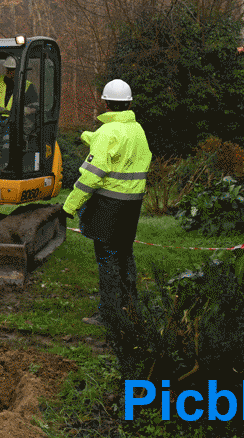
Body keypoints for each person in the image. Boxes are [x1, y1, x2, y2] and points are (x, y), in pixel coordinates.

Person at [58, 79, 152, 328]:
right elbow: (119, 149)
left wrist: (69, 206)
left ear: (106, 103)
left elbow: (91, 176)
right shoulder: (137, 130)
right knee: (124, 255)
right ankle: (130, 307)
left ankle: (109, 314)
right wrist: (90, 137)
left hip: (108, 205)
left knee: (108, 259)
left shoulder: (107, 133)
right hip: (133, 204)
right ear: (129, 103)